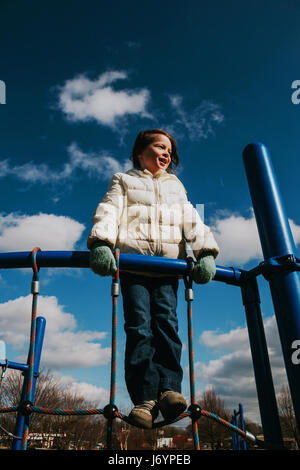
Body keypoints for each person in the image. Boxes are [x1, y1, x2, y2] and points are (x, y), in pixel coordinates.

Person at [87, 129, 219, 429]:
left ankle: (170, 389)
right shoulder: (124, 180)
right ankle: (145, 399)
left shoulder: (176, 186)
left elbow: (191, 219)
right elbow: (109, 211)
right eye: (160, 147)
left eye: (170, 150)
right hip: (133, 267)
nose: (166, 153)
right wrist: (102, 243)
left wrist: (206, 252)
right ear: (140, 153)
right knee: (139, 329)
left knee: (167, 327)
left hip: (167, 270)